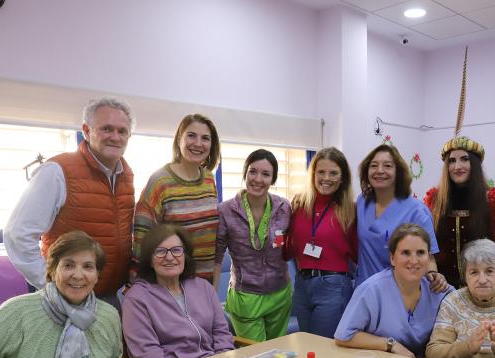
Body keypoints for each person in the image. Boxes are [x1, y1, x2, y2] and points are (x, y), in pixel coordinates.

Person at [4, 97, 135, 299]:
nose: (115, 137)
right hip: (66, 297)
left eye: (122, 131)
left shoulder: (126, 175)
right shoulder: (57, 171)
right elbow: (17, 234)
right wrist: (51, 286)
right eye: (106, 129)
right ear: (87, 130)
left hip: (109, 295)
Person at [122, 224, 234, 358]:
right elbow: (145, 352)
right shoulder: (137, 298)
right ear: (149, 259)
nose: (169, 257)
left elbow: (221, 332)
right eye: (160, 251)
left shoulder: (203, 287)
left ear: (185, 255)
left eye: (176, 250)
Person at [334, 224, 453, 358]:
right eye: (405, 253)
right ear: (392, 258)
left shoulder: (439, 291)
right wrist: (390, 344)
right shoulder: (372, 290)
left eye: (420, 252)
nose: (414, 261)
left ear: (429, 257)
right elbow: (344, 336)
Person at [423, 136, 495, 287]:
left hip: (486, 289)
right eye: (452, 161)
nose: (457, 166)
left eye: (464, 159)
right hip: (442, 291)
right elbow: (424, 246)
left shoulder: (494, 201)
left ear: (475, 163)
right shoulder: (434, 200)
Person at [213, 149, 291, 342]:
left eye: (266, 174)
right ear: (245, 173)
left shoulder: (284, 207)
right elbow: (216, 259)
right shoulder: (226, 210)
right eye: (253, 171)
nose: (258, 179)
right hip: (246, 296)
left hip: (280, 293)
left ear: (273, 179)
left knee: (278, 355)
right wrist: (212, 300)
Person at [132, 114, 221, 282]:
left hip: (205, 281)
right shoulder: (160, 181)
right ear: (179, 138)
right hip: (171, 281)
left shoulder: (209, 179)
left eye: (205, 138)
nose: (198, 143)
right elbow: (142, 236)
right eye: (191, 135)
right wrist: (138, 279)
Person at [355, 144, 447, 292]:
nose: (380, 171)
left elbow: (428, 257)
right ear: (367, 171)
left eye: (387, 166)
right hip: (365, 290)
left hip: (400, 292)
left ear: (398, 172)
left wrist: (433, 274)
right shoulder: (362, 202)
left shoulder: (416, 211)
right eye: (374, 165)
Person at [285, 147, 356, 338]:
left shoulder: (350, 209)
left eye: (333, 173)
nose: (326, 178)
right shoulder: (300, 204)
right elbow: (289, 247)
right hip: (302, 284)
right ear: (313, 174)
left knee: (323, 347)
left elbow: (358, 253)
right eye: (321, 172)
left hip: (333, 285)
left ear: (342, 178)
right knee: (308, 345)